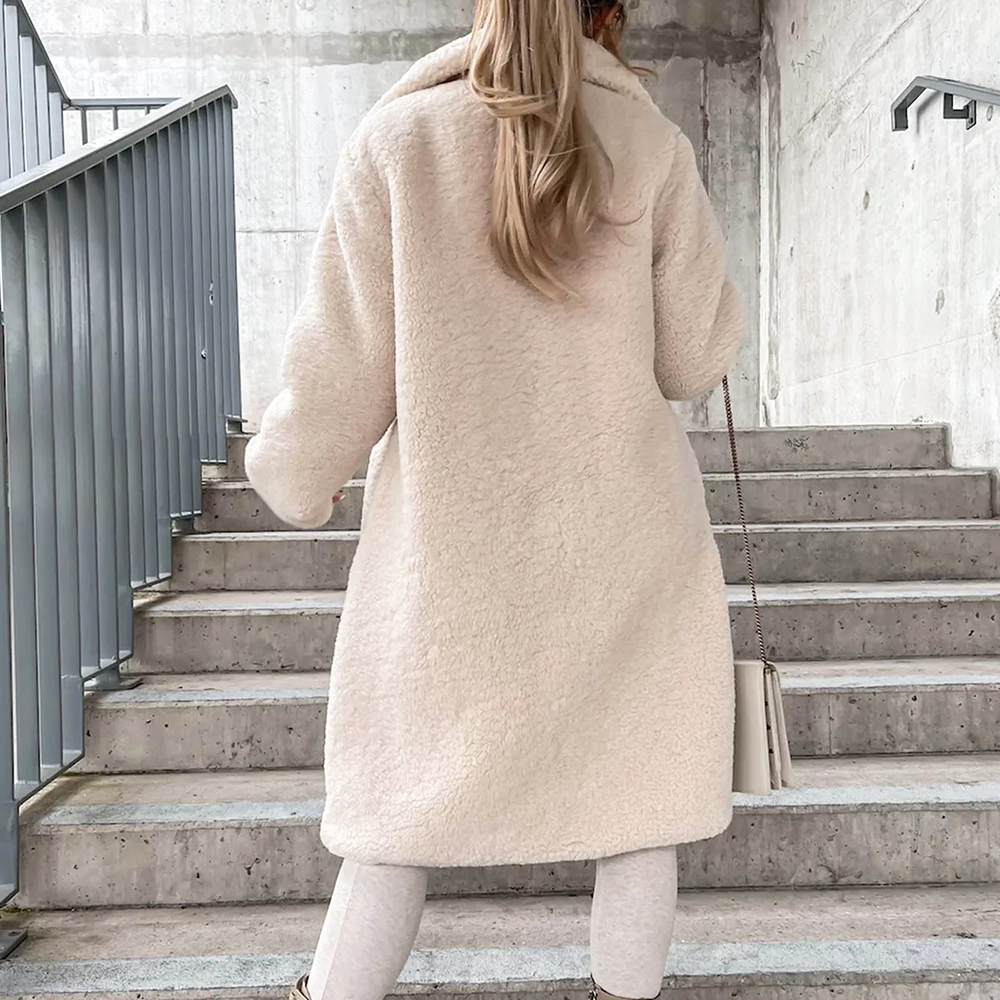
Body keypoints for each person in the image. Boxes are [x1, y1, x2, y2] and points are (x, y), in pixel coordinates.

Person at [245, 0, 742, 997]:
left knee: (392, 821)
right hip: (626, 547)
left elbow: (341, 369)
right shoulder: (649, 144)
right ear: (611, 13)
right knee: (639, 805)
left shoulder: (396, 143)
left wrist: (294, 475)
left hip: (450, 559)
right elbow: (694, 359)